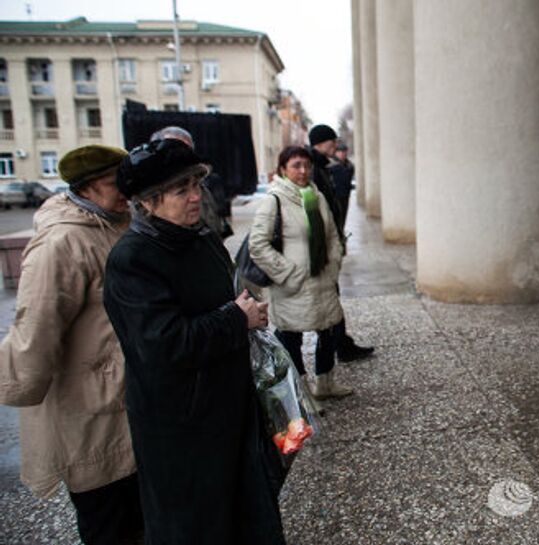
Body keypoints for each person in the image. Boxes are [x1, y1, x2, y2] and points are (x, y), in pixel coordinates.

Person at [103, 138, 285, 544]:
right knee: (197, 525)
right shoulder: (132, 260)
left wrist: (246, 313)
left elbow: (225, 301)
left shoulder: (201, 238)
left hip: (229, 407)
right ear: (148, 202)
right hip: (181, 427)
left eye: (196, 185)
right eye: (181, 189)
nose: (195, 196)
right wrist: (236, 318)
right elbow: (163, 344)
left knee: (246, 512)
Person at [0, 145, 143, 545]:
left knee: (138, 511)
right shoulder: (61, 243)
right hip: (88, 405)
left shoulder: (119, 223)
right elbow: (36, 325)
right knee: (107, 516)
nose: (126, 192)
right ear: (89, 186)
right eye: (117, 182)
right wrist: (20, 381)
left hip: (127, 395)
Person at [249, 145, 353, 400]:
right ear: (283, 169)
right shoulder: (274, 199)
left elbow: (331, 235)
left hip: (322, 280)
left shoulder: (315, 196)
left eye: (307, 165)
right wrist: (288, 273)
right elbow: (258, 244)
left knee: (328, 330)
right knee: (291, 338)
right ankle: (302, 394)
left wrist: (333, 264)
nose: (303, 170)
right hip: (292, 286)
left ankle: (326, 384)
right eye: (296, 165)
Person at [308, 124, 375, 362]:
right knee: (328, 295)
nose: (335, 146)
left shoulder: (324, 166)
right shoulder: (314, 168)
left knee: (331, 294)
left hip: (329, 240)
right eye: (331, 141)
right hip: (322, 244)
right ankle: (339, 347)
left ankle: (341, 343)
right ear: (320, 142)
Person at [150, 125, 234, 239]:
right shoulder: (148, 195)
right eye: (176, 152)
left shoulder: (203, 187)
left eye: (188, 151)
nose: (195, 197)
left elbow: (215, 223)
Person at [327, 140, 355, 232]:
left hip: (345, 195)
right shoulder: (331, 165)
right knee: (336, 218)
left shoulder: (349, 165)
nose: (342, 154)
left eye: (344, 151)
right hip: (335, 196)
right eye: (340, 151)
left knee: (343, 216)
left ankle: (341, 232)